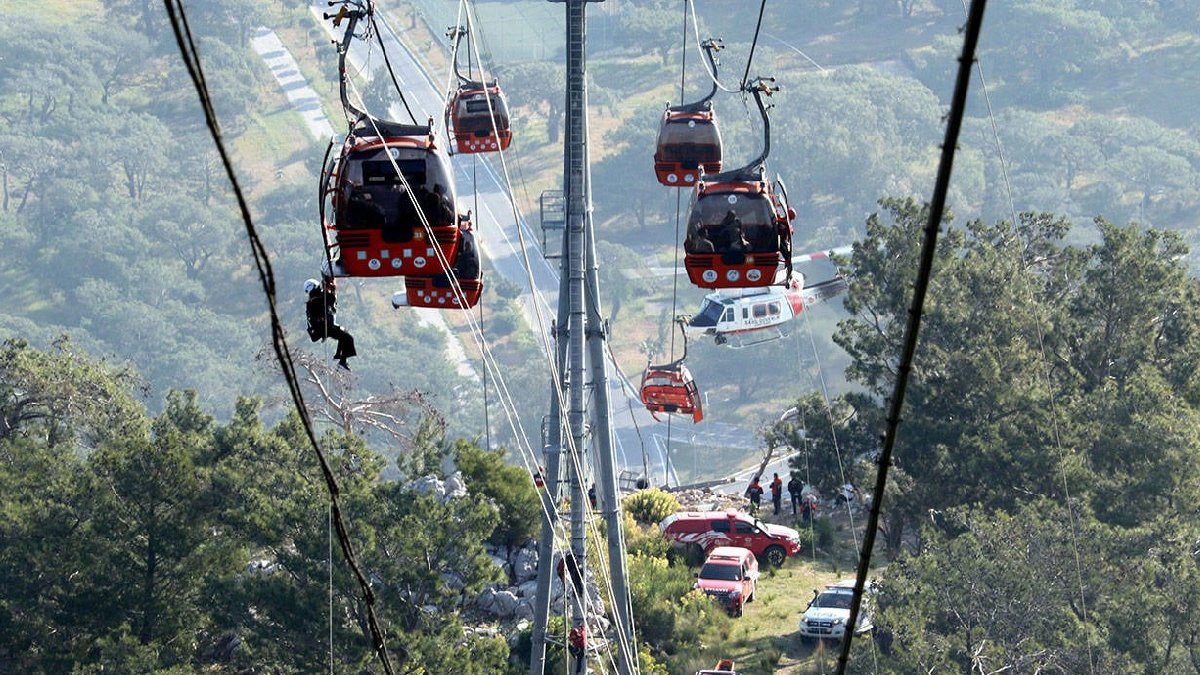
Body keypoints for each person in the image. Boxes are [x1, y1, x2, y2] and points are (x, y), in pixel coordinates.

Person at [305, 276, 356, 370]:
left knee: (346, 337)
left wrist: (329, 289)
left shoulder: (313, 300)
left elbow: (330, 301)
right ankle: (341, 360)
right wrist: (330, 288)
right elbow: (330, 299)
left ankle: (341, 360)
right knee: (347, 337)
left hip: (325, 327)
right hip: (326, 327)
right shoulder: (317, 299)